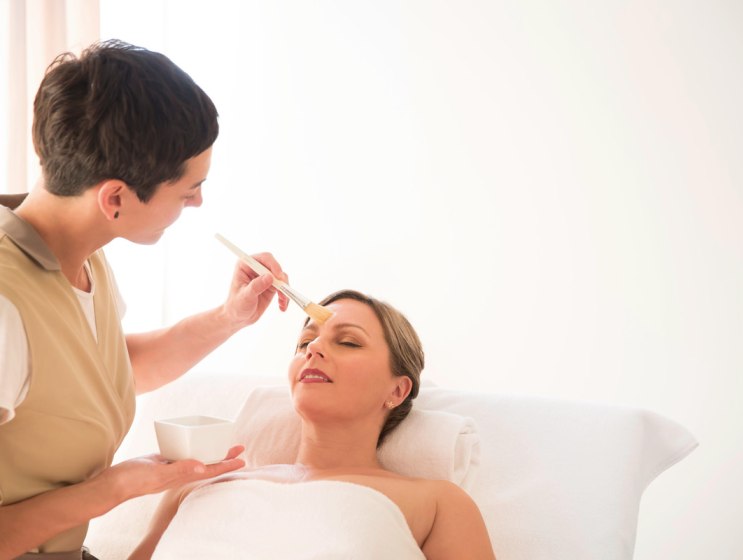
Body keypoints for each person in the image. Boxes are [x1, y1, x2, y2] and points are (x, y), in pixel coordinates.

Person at [0, 40, 288, 559]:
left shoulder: (82, 259)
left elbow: (107, 370)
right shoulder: (5, 302)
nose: (198, 201)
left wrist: (230, 317)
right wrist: (114, 488)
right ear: (115, 198)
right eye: (188, 189)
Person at [129, 290, 496, 560]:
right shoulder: (197, 484)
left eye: (348, 342)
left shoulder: (437, 503)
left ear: (397, 390)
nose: (313, 349)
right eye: (305, 342)